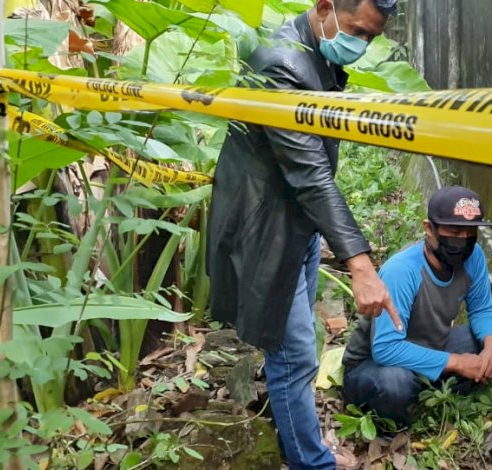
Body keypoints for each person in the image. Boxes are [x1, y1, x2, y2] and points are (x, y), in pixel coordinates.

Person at [205, 1, 402, 468]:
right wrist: (360, 264)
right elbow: (310, 175)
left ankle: (296, 433)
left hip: (297, 223)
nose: (362, 45)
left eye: (371, 38)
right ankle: (312, 463)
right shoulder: (281, 64)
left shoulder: (319, 52)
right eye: (357, 31)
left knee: (294, 346)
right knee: (294, 355)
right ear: (325, 7)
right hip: (267, 226)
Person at [342, 186, 492, 426]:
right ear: (429, 229)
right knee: (397, 384)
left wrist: (491, 348)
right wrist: (458, 362)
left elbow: (481, 309)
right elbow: (386, 348)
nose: (463, 242)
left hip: (432, 344)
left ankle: (431, 394)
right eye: (454, 231)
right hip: (374, 365)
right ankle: (402, 410)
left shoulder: (473, 258)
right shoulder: (402, 270)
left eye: (470, 233)